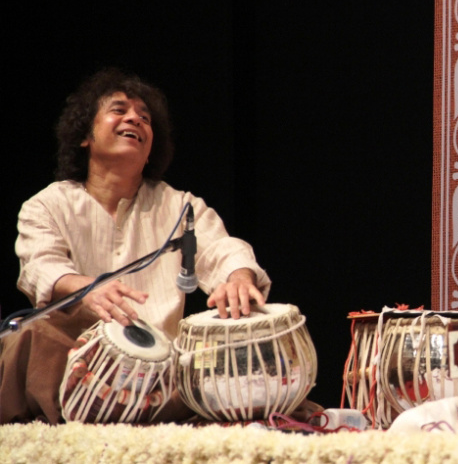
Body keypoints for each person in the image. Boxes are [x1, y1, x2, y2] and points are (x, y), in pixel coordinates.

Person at [0, 68, 272, 423]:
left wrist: (238, 278)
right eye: (119, 110)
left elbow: (223, 249)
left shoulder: (180, 207)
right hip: (74, 363)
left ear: (150, 151)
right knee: (26, 337)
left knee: (240, 354)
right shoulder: (48, 205)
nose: (135, 119)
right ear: (84, 136)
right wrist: (87, 288)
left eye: (145, 118)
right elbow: (40, 265)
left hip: (164, 375)